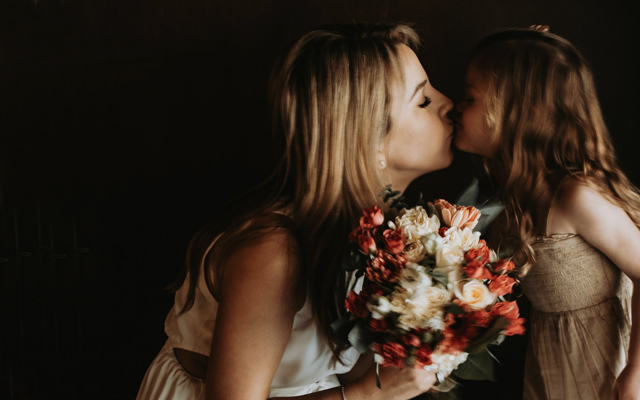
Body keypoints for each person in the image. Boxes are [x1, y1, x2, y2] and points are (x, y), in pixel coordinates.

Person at [137, 23, 455, 400]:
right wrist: (373, 394)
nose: (448, 103)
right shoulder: (274, 253)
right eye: (422, 101)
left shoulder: (380, 232)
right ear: (369, 142)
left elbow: (335, 361)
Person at [453, 28, 640, 400]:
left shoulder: (575, 197)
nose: (457, 106)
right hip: (556, 360)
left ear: (523, 113)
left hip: (613, 362)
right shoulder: (511, 198)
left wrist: (639, 370)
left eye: (470, 98)